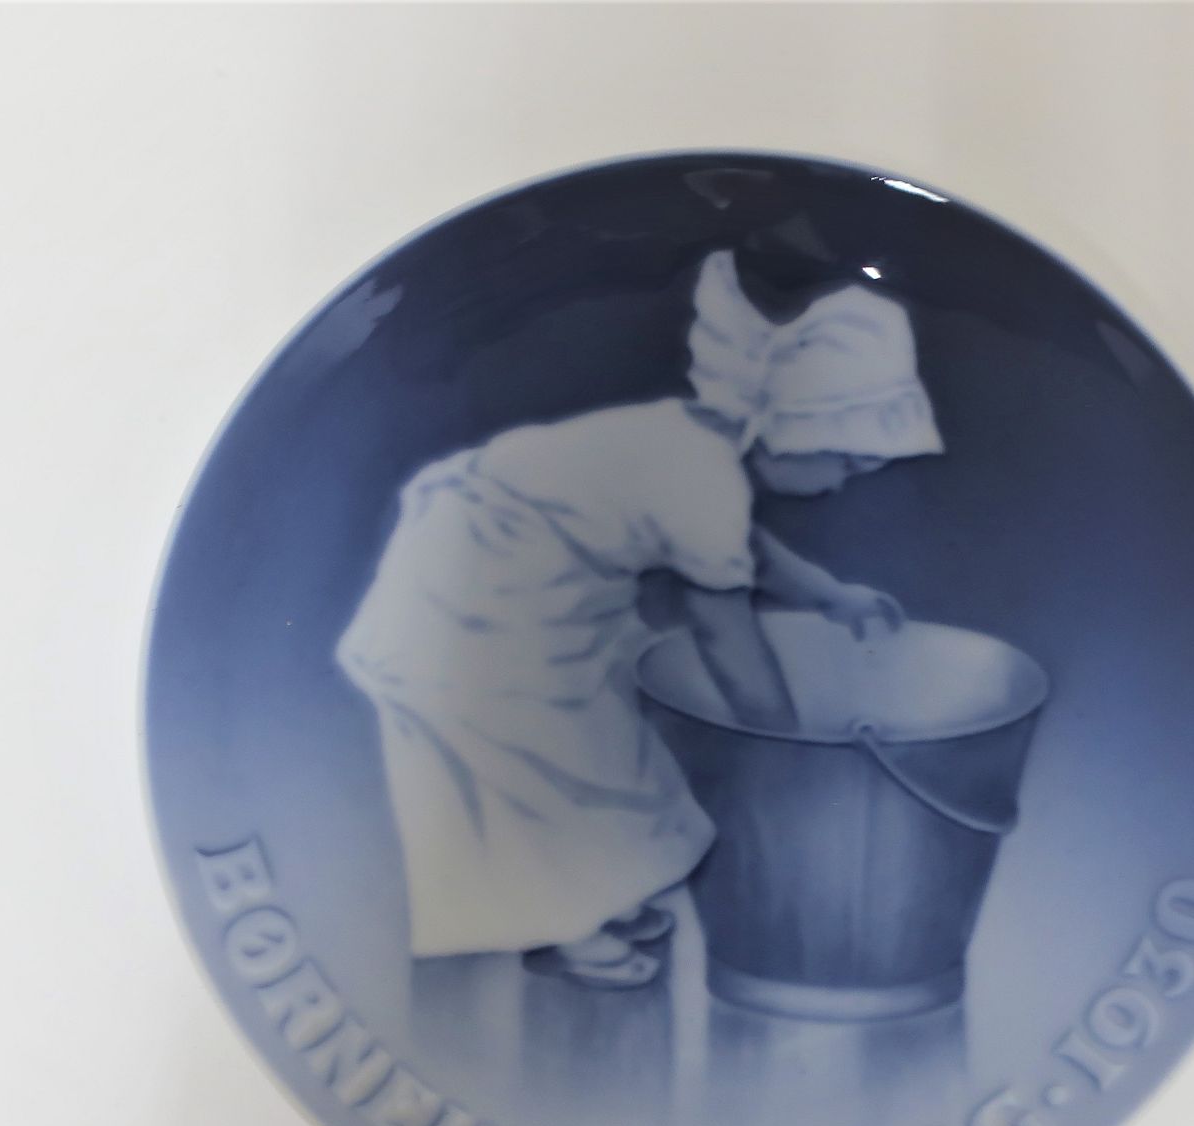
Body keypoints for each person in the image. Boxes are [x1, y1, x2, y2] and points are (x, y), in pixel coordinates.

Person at [336, 250, 942, 989]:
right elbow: (725, 631)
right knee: (542, 769)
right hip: (468, 601)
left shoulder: (707, 454)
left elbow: (742, 550)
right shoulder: (704, 476)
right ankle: (566, 930)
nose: (843, 483)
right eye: (845, 462)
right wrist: (782, 740)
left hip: (536, 592)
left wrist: (830, 595)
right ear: (791, 432)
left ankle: (599, 900)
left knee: (607, 749)